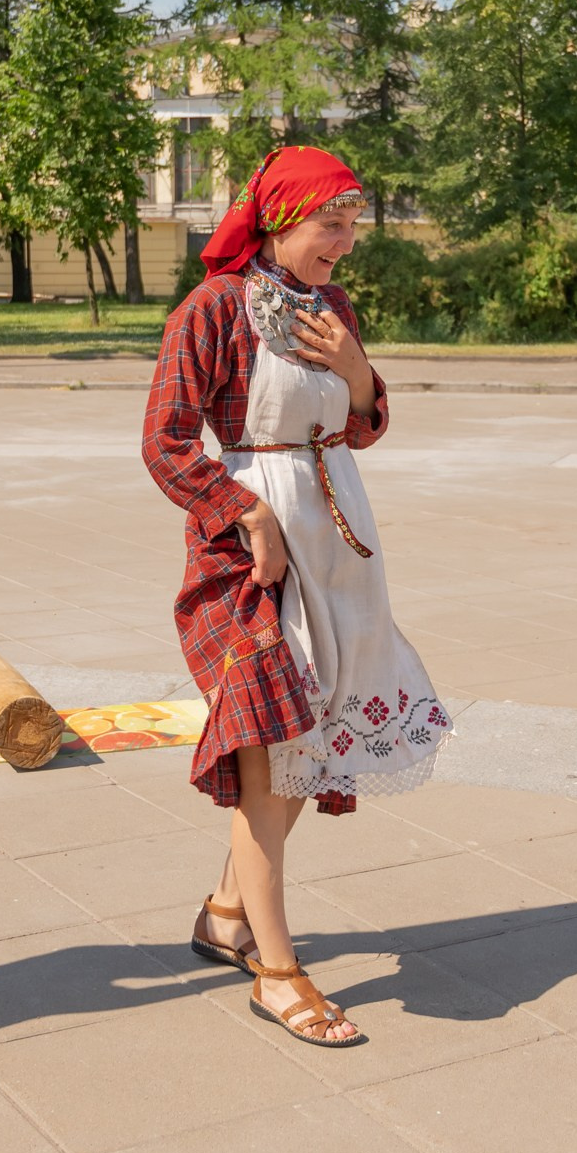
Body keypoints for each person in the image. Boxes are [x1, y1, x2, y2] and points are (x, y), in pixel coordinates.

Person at [142, 146, 450, 1044]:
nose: (345, 243)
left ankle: (226, 916)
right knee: (270, 755)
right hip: (251, 558)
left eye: (354, 226)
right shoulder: (211, 309)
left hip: (338, 540)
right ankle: (276, 973)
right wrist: (245, 513)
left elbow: (363, 424)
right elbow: (165, 442)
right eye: (331, 224)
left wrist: (357, 373)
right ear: (280, 219)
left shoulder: (333, 309)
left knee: (306, 749)